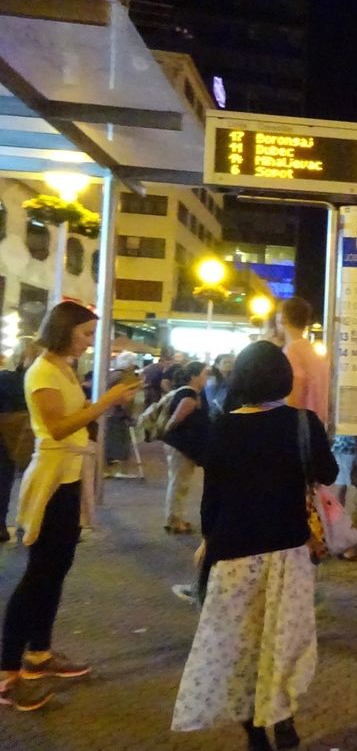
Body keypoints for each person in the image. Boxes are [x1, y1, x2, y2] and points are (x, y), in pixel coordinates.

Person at [171, 341, 337, 751]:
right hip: (289, 551)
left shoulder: (222, 428)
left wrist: (209, 542)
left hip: (234, 553)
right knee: (284, 638)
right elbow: (328, 473)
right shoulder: (303, 423)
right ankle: (281, 715)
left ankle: (256, 742)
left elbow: (213, 499)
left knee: (239, 648)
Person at [0, 303, 138, 711]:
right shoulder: (43, 371)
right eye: (84, 333)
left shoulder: (62, 367)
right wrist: (107, 400)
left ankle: (39, 654)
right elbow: (58, 426)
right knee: (38, 572)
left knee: (56, 567)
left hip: (70, 477)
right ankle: (7, 673)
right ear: (64, 331)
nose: (89, 341)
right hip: (51, 479)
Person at [162, 362, 210, 534]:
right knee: (179, 483)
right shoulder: (189, 394)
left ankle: (176, 518)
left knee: (179, 482)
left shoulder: (191, 392)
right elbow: (176, 418)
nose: (207, 377)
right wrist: (168, 431)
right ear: (193, 376)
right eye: (204, 374)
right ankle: (174, 520)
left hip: (181, 444)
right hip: (181, 445)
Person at [0, 338, 38, 542]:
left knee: (4, 478)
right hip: (34, 433)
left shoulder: (5, 378)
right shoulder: (39, 378)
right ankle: (28, 524)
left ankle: (1, 524)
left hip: (6, 434)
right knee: (32, 479)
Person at [277, 297, 329, 423]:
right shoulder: (313, 352)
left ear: (283, 318)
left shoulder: (291, 352)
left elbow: (293, 398)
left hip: (301, 428)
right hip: (317, 425)